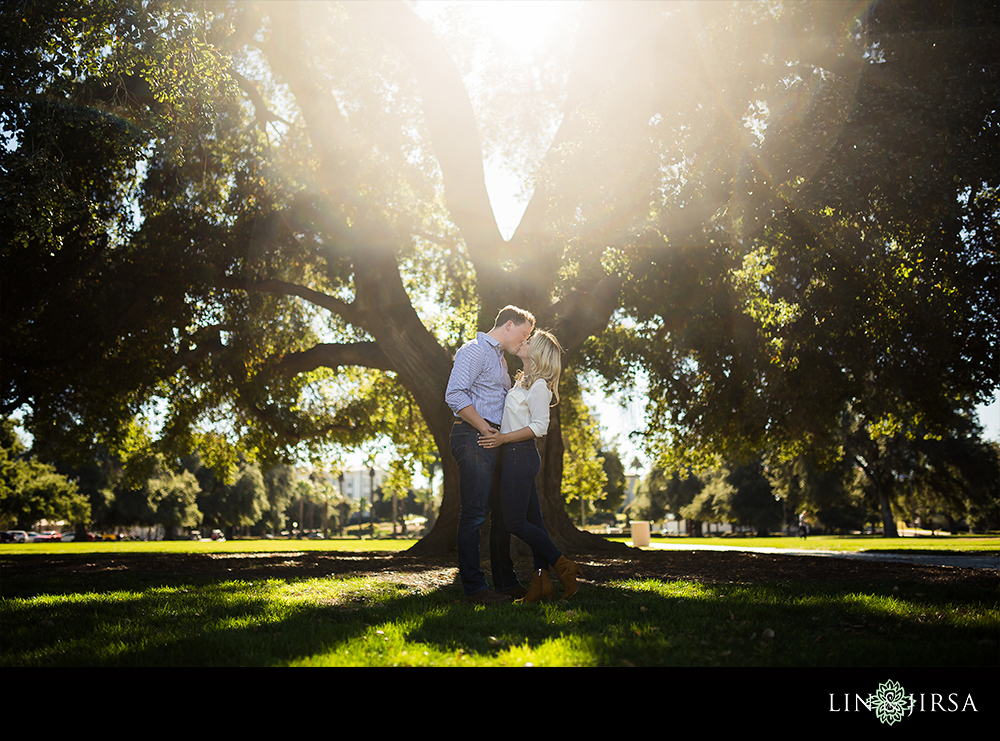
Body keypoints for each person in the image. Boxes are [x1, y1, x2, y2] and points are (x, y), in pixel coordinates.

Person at [478, 329, 583, 602]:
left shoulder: (538, 387)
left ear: (538, 353)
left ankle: (563, 565)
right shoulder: (524, 383)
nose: (523, 341)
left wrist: (502, 439)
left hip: (519, 456)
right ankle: (541, 583)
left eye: (529, 341)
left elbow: (539, 427)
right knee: (535, 521)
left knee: (514, 522)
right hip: (515, 456)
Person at [446, 305, 535, 605]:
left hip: (495, 439)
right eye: (524, 334)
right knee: (474, 515)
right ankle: (474, 589)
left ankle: (505, 583)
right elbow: (455, 394)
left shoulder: (500, 361)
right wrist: (486, 430)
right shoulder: (474, 350)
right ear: (509, 325)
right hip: (474, 436)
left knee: (503, 515)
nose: (524, 341)